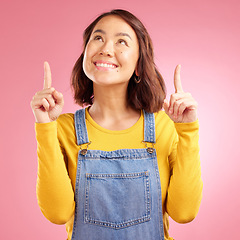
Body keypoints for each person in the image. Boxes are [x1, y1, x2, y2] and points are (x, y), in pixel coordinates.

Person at [31, 9, 202, 240]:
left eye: (121, 41)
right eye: (98, 38)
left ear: (139, 65)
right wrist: (45, 127)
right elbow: (58, 214)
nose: (106, 49)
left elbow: (183, 212)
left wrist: (188, 129)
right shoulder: (63, 128)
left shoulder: (165, 126)